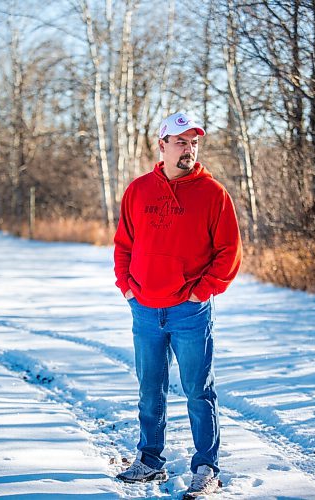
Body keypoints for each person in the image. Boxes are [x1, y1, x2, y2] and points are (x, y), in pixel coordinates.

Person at [113, 111, 242, 498]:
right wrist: (128, 287)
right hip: (145, 309)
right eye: (181, 141)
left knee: (198, 391)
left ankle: (206, 468)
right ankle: (150, 460)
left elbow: (229, 253)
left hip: (190, 311)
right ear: (162, 145)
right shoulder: (138, 190)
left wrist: (200, 292)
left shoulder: (213, 194)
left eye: (194, 142)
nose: (189, 149)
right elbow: (123, 245)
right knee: (150, 390)